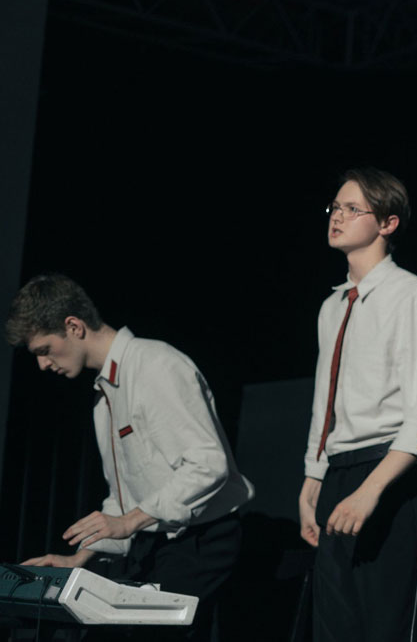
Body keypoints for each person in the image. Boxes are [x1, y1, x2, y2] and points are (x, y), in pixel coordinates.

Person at [5, 273, 254, 640]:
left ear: (73, 326)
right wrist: (79, 559)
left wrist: (129, 521)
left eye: (44, 349)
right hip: (152, 543)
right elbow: (122, 500)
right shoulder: (103, 396)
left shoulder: (155, 364)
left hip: (199, 543)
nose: (43, 365)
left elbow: (207, 464)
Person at [299, 167, 417, 642]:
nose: (337, 216)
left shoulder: (412, 297)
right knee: (333, 625)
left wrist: (371, 490)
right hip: (338, 470)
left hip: (390, 473)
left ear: (387, 223)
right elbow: (325, 399)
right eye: (334, 207)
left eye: (352, 208)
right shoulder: (333, 306)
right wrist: (312, 477)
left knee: (384, 624)